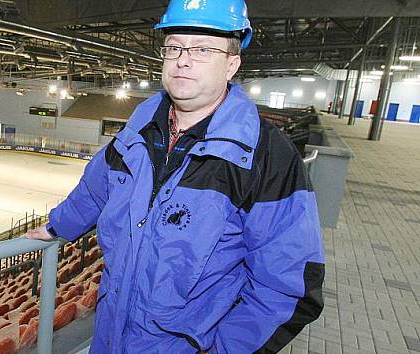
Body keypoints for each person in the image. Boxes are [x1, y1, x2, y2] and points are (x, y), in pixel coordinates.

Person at [26, 0, 325, 352]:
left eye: (202, 48)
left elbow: (288, 288)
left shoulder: (266, 156)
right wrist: (58, 225)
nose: (183, 59)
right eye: (174, 47)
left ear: (232, 63)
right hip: (110, 335)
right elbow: (97, 189)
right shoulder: (137, 130)